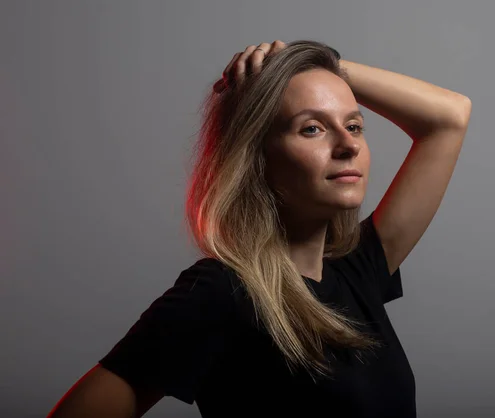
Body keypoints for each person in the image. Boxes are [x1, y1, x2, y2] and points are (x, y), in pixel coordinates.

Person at [48, 39, 471, 418]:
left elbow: (450, 116)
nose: (349, 145)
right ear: (258, 160)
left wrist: (320, 66)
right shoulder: (221, 293)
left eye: (354, 125)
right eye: (312, 128)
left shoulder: (359, 271)